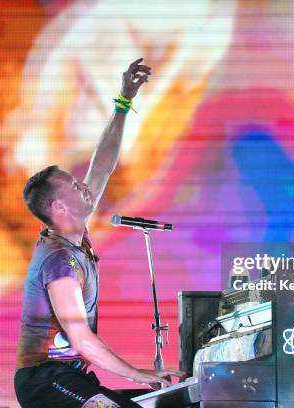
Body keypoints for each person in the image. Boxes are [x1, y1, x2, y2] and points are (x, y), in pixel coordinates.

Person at [14, 58, 183, 408]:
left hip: (68, 377)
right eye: (76, 187)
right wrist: (138, 373)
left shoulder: (74, 233)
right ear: (59, 208)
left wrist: (124, 102)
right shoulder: (59, 262)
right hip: (45, 381)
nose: (86, 186)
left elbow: (102, 163)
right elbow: (81, 338)